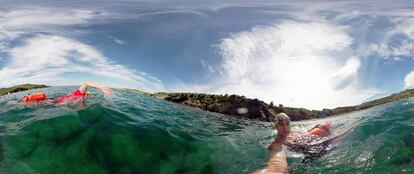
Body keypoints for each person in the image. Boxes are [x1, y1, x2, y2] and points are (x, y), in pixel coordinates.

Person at [22, 81, 112, 104]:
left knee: (40, 102)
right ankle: (27, 100)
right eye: (87, 94)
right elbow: (86, 83)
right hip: (56, 102)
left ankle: (26, 100)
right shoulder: (78, 94)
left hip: (57, 100)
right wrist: (101, 88)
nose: (87, 95)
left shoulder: (80, 96)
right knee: (40, 102)